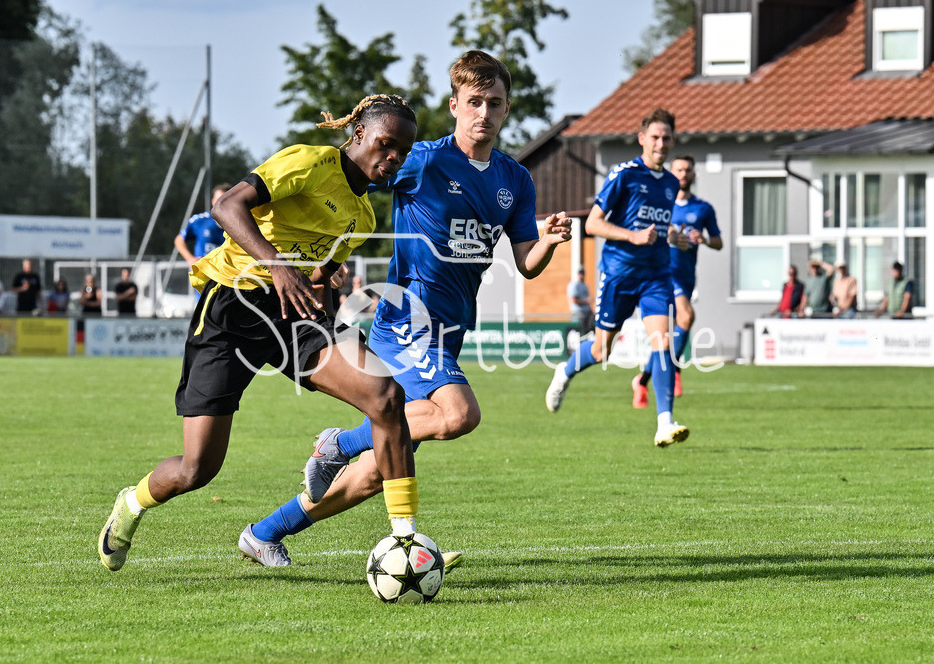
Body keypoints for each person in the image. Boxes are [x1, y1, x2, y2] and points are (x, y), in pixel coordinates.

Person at [243, 50, 571, 569]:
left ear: (507, 109)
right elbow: (351, 177)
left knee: (378, 472)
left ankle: (265, 533)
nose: (484, 112)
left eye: (495, 103)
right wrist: (319, 249)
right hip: (406, 322)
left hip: (452, 330)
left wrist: (548, 242)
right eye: (474, 102)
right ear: (455, 105)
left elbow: (526, 263)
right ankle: (338, 443)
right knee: (460, 414)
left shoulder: (516, 181)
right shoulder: (422, 160)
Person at [98, 93, 421, 572]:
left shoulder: (365, 217)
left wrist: (330, 313)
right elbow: (228, 206)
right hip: (234, 305)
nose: (393, 157)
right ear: (359, 135)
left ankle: (405, 540)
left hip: (296, 318)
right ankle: (133, 502)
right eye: (386, 144)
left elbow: (321, 277)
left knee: (386, 398)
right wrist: (277, 267)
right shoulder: (310, 162)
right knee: (197, 469)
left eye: (403, 151)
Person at [545, 108, 689, 448]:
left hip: (655, 276)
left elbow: (657, 227)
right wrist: (633, 236)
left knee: (662, 343)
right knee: (600, 350)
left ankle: (664, 423)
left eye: (666, 138)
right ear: (642, 139)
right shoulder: (624, 175)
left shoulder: (670, 183)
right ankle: (563, 372)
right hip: (618, 275)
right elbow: (593, 224)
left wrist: (674, 237)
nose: (660, 143)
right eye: (654, 137)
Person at [632, 154, 721, 404]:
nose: (683, 174)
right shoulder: (660, 203)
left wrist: (704, 239)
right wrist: (667, 232)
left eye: (687, 170)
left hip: (686, 275)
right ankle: (675, 369)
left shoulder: (703, 208)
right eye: (679, 169)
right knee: (687, 316)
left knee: (666, 338)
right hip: (661, 272)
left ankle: (642, 380)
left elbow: (719, 242)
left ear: (693, 175)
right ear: (672, 173)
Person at [175, 184, 229, 267]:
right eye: (219, 199)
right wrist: (190, 259)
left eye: (225, 200)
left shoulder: (240, 223)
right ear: (213, 201)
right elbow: (179, 240)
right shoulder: (200, 220)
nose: (221, 203)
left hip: (227, 273)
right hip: (204, 272)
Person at [568, 265, 593, 334]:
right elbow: (574, 300)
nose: (581, 274)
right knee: (580, 332)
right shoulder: (574, 285)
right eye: (580, 272)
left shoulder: (585, 285)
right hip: (578, 314)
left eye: (583, 272)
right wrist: (587, 301)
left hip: (587, 314)